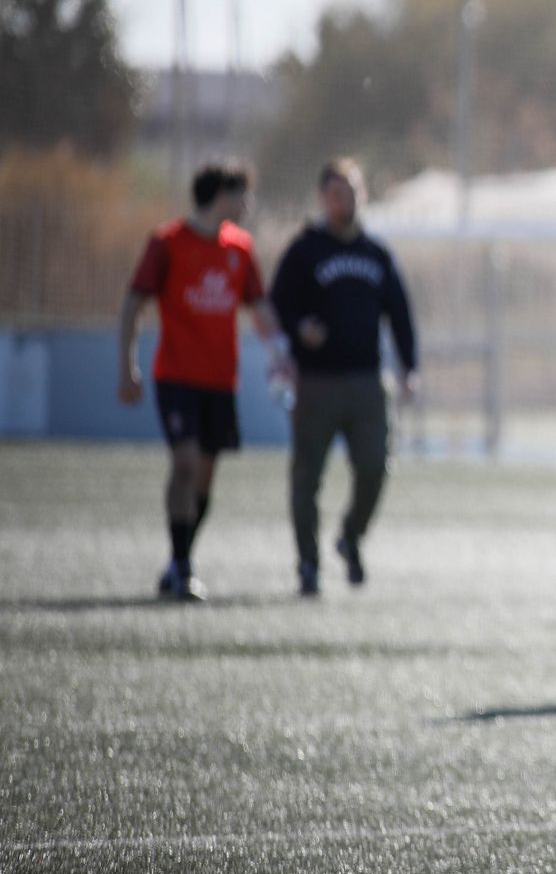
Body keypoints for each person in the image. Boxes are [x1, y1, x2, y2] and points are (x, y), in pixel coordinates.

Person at [118, 160, 290, 601]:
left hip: (220, 381)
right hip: (176, 377)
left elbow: (260, 308)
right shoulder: (168, 244)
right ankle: (182, 566)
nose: (248, 204)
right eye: (243, 195)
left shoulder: (241, 248)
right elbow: (134, 304)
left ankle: (179, 561)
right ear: (222, 196)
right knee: (186, 462)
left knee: (206, 476)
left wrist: (281, 355)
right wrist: (127, 366)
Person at [269, 158, 418, 596]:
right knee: (306, 477)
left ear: (362, 195)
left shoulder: (377, 253)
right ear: (322, 198)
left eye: (351, 192)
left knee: (374, 467)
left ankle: (350, 537)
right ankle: (308, 565)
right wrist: (300, 329)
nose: (344, 201)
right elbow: (276, 305)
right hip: (316, 382)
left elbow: (400, 314)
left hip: (367, 382)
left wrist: (410, 367)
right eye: (336, 193)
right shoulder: (305, 250)